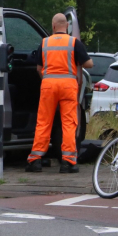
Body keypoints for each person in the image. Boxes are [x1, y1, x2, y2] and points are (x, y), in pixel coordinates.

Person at [26, 13, 93, 173]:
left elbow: (38, 68)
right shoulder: (73, 43)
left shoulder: (44, 43)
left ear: (53, 26)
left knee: (43, 122)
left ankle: (35, 160)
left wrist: (48, 78)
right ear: (67, 27)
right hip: (68, 85)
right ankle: (68, 162)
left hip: (48, 84)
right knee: (69, 123)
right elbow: (89, 64)